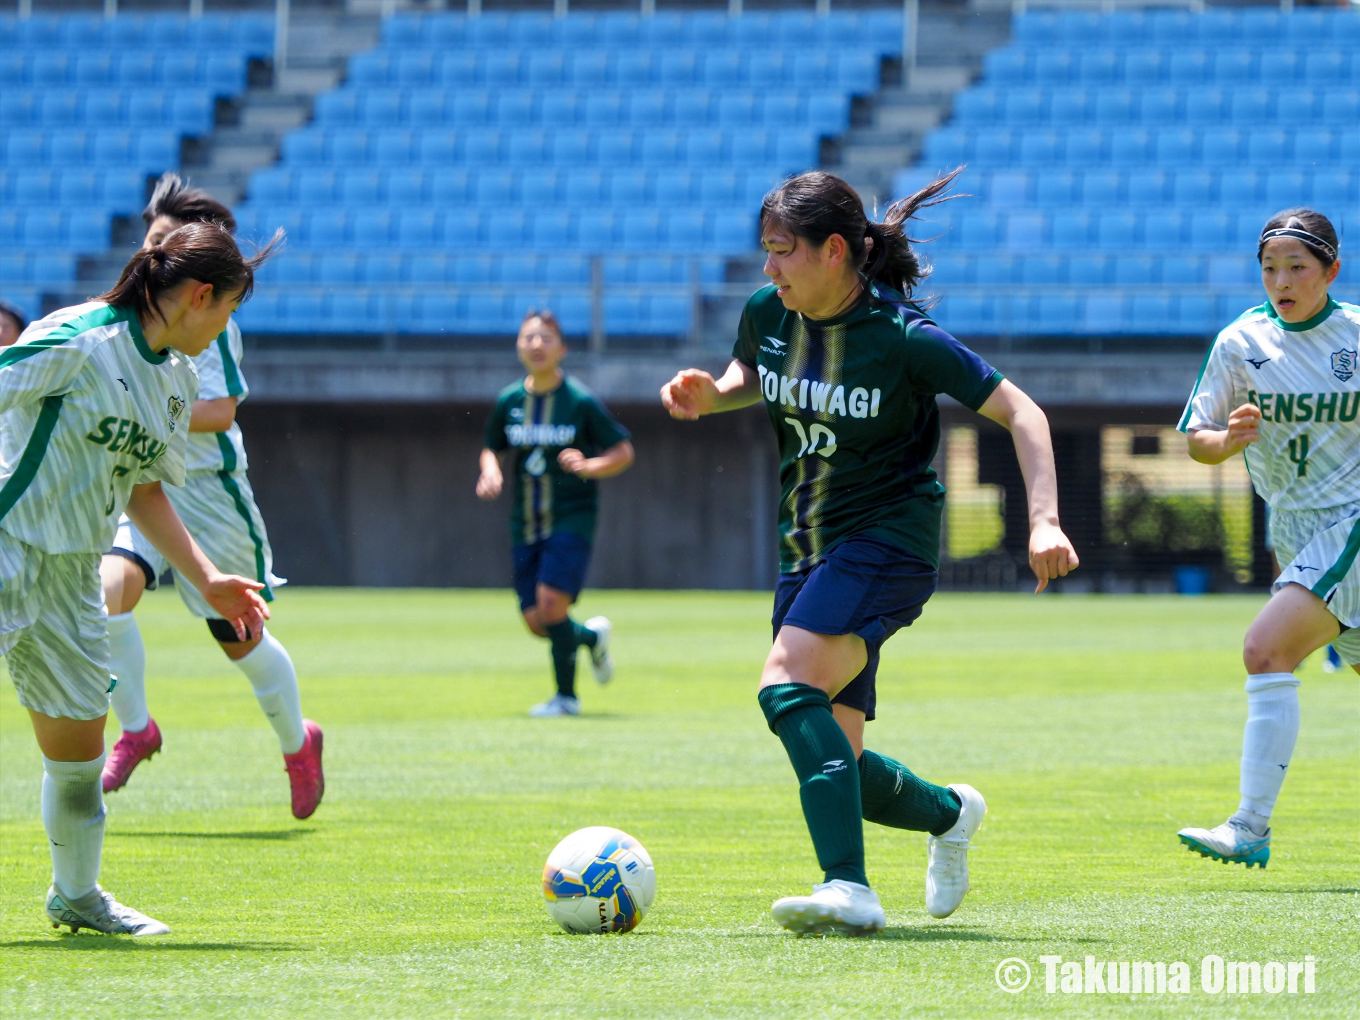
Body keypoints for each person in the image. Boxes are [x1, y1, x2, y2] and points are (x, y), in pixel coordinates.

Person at [661, 170, 1078, 935]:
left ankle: (847, 888)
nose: (768, 269)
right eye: (765, 251)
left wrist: (1044, 520)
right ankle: (950, 814)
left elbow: (1023, 412)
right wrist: (711, 393)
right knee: (840, 766)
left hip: (890, 541)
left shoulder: (903, 338)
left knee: (786, 685)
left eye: (782, 252)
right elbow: (752, 374)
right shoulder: (768, 314)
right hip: (807, 550)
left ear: (833, 252)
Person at [1, 222, 276, 935]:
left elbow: (146, 489)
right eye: (228, 312)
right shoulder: (81, 337)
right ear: (199, 296)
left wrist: (209, 577)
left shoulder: (179, 382)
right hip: (5, 543)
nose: (225, 331)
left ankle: (76, 896)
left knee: (78, 758)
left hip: (69, 577)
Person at [97, 174, 323, 820]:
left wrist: (144, 410)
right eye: (150, 240)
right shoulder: (127, 310)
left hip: (205, 491)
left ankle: (297, 741)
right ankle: (137, 728)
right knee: (105, 595)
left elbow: (221, 410)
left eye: (166, 242)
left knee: (239, 636)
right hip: (138, 480)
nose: (153, 254)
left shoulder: (208, 313)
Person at [1177, 208, 1359, 868]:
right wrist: (1227, 442)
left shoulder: (1357, 337)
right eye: (1269, 267)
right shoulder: (1241, 342)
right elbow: (1198, 439)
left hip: (1353, 526)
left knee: (1264, 649)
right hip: (1296, 533)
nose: (1281, 280)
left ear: (1332, 270)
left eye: (1297, 267)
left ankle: (1249, 825)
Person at [477, 310, 634, 717]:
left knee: (550, 607)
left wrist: (588, 465)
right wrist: (490, 470)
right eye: (529, 337)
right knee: (536, 621)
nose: (537, 344)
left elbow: (622, 451)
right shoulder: (509, 401)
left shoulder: (578, 401)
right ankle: (590, 639)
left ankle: (566, 698)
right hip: (524, 522)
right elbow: (492, 445)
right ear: (518, 346)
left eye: (546, 338)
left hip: (571, 518)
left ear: (562, 349)